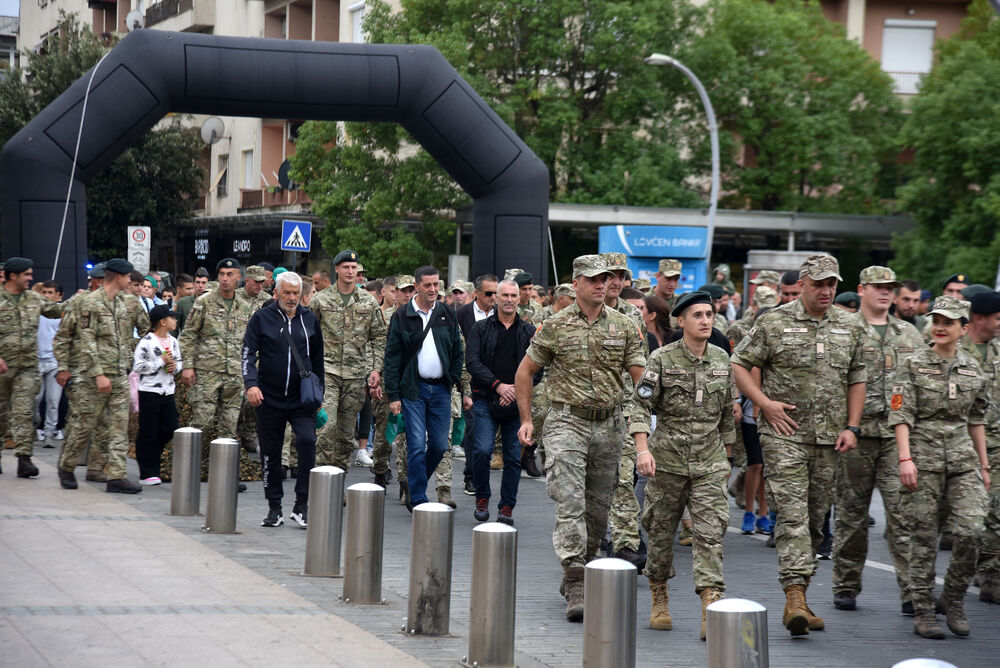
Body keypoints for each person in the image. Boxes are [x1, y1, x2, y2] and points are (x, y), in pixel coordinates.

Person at [731, 253, 866, 636]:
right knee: (792, 517)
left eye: (832, 284)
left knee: (816, 521)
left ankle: (802, 598)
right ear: (803, 284)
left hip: (829, 439)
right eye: (819, 284)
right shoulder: (774, 321)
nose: (826, 291)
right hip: (783, 434)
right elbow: (740, 364)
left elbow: (857, 377)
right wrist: (764, 404)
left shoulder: (849, 325)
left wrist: (852, 426)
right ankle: (792, 597)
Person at [514, 254, 645, 622]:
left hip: (610, 425)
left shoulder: (623, 326)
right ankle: (575, 577)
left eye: (606, 279)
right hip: (566, 422)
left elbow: (640, 377)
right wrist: (527, 420)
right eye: (594, 280)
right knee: (570, 501)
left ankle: (582, 565)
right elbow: (525, 372)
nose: (602, 285)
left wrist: (647, 416)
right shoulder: (555, 326)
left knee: (599, 509)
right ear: (577, 284)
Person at [631, 291, 736, 638]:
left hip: (710, 463)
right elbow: (640, 408)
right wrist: (643, 450)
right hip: (667, 463)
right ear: (681, 321)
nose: (706, 320)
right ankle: (659, 594)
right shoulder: (660, 359)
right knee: (660, 534)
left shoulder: (722, 360)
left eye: (709, 314)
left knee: (709, 535)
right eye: (698, 315)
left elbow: (726, 416)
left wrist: (727, 458)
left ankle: (710, 602)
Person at [890, 295, 990, 638]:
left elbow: (977, 418)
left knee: (972, 530)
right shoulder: (913, 364)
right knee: (923, 537)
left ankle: (954, 597)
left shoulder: (972, 367)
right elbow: (900, 415)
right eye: (937, 321)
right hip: (922, 459)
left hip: (963, 460)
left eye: (949, 322)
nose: (941, 327)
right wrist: (905, 459)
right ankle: (923, 611)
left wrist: (985, 466)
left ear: (964, 328)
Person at [831, 266, 923, 613]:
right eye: (878, 287)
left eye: (890, 288)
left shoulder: (910, 334)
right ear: (862, 289)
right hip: (856, 435)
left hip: (897, 436)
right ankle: (845, 584)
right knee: (852, 516)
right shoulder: (845, 330)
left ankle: (913, 591)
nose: (885, 293)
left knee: (902, 517)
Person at [58, 258, 151, 492]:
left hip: (119, 374)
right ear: (118, 277)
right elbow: (87, 340)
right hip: (92, 377)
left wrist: (132, 352)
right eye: (129, 277)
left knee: (120, 425)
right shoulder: (90, 303)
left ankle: (116, 476)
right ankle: (66, 467)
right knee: (84, 425)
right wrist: (99, 374)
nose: (132, 281)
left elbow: (139, 331)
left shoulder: (123, 302)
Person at [243, 270, 324, 528]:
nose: (291, 298)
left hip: (301, 399)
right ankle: (274, 507)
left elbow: (318, 360)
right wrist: (251, 385)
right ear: (275, 292)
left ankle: (302, 504)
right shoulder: (261, 318)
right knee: (271, 452)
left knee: (307, 442)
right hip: (269, 397)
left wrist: (319, 391)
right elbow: (247, 354)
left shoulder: (309, 319)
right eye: (286, 292)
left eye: (296, 293)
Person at [384, 266, 466, 510]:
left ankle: (413, 481)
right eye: (428, 285)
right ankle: (418, 499)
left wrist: (452, 379)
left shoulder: (446, 313)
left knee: (440, 446)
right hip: (414, 390)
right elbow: (392, 357)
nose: (433, 289)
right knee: (417, 445)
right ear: (417, 286)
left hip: (441, 390)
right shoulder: (402, 315)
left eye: (436, 284)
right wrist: (394, 395)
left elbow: (457, 349)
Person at [466, 279, 536, 524]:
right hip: (486, 397)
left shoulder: (529, 331)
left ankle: (507, 506)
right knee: (482, 450)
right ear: (495, 298)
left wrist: (516, 391)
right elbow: (472, 362)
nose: (508, 299)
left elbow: (538, 368)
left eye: (513, 296)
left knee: (513, 456)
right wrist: (498, 386)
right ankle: (482, 497)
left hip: (518, 402)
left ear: (519, 299)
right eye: (504, 295)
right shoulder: (481, 328)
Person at [309, 251, 387, 470]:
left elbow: (379, 337)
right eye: (346, 267)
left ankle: (337, 484)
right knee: (326, 429)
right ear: (336, 269)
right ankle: (322, 483)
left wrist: (376, 370)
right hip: (327, 373)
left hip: (355, 376)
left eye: (354, 268)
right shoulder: (320, 300)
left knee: (345, 437)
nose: (350, 272)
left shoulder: (368, 302)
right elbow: (307, 335)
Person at [178, 259, 252, 482]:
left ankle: (224, 477)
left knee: (229, 427)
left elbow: (250, 342)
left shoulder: (245, 307)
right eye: (221, 274)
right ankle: (188, 470)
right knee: (203, 422)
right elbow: (188, 335)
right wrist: (188, 366)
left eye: (230, 274)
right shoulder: (204, 302)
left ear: (239, 277)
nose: (225, 279)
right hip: (207, 372)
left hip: (234, 375)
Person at [0, 257, 64, 477]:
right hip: (2, 367)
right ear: (13, 276)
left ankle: (24, 459)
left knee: (25, 412)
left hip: (27, 367)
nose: (31, 278)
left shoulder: (33, 299)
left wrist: (82, 301)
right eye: (26, 274)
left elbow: (57, 310)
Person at [958, 291, 1000, 604]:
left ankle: (990, 576)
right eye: (998, 317)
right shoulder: (955, 350)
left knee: (995, 513)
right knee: (963, 520)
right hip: (958, 443)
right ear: (978, 318)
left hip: (996, 443)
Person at [133, 305, 182, 485]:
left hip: (167, 391)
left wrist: (174, 367)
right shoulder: (146, 341)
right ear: (162, 321)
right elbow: (138, 366)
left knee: (170, 428)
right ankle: (147, 472)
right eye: (172, 317)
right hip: (149, 391)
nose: (175, 320)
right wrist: (160, 362)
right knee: (148, 431)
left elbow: (179, 361)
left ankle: (153, 457)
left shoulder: (173, 341)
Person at [34, 281, 63, 448]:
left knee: (53, 400)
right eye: (44, 292)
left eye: (50, 292)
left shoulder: (61, 314)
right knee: (36, 398)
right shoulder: (35, 311)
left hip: (54, 362)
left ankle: (50, 433)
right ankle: (35, 422)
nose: (46, 295)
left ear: (58, 296)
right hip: (36, 360)